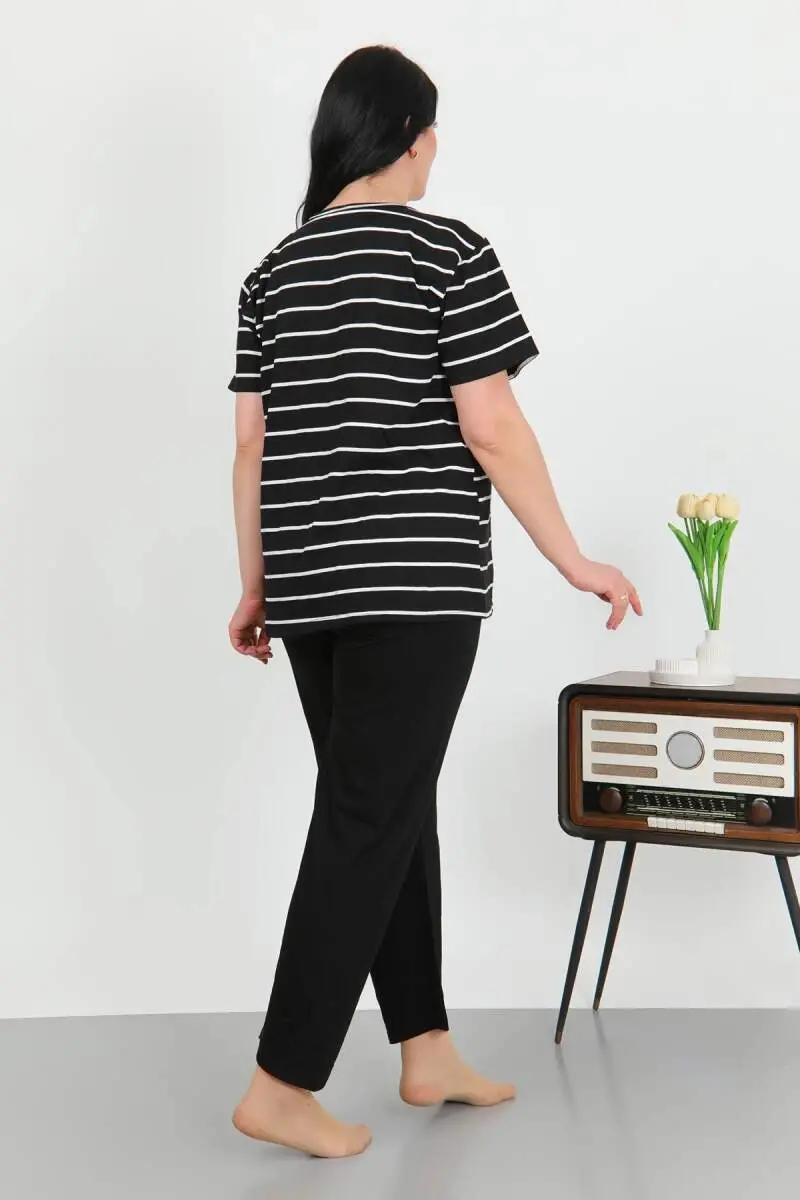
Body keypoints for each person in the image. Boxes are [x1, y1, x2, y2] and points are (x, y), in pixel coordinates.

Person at [226, 44, 641, 1159]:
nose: (435, 150)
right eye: (430, 132)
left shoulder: (272, 274)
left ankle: (425, 1045)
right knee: (369, 814)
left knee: (385, 803)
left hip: (309, 589)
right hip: (415, 583)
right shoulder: (446, 252)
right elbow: (490, 423)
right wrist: (573, 559)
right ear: (406, 137)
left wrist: (257, 584)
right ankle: (281, 1080)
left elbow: (252, 447)